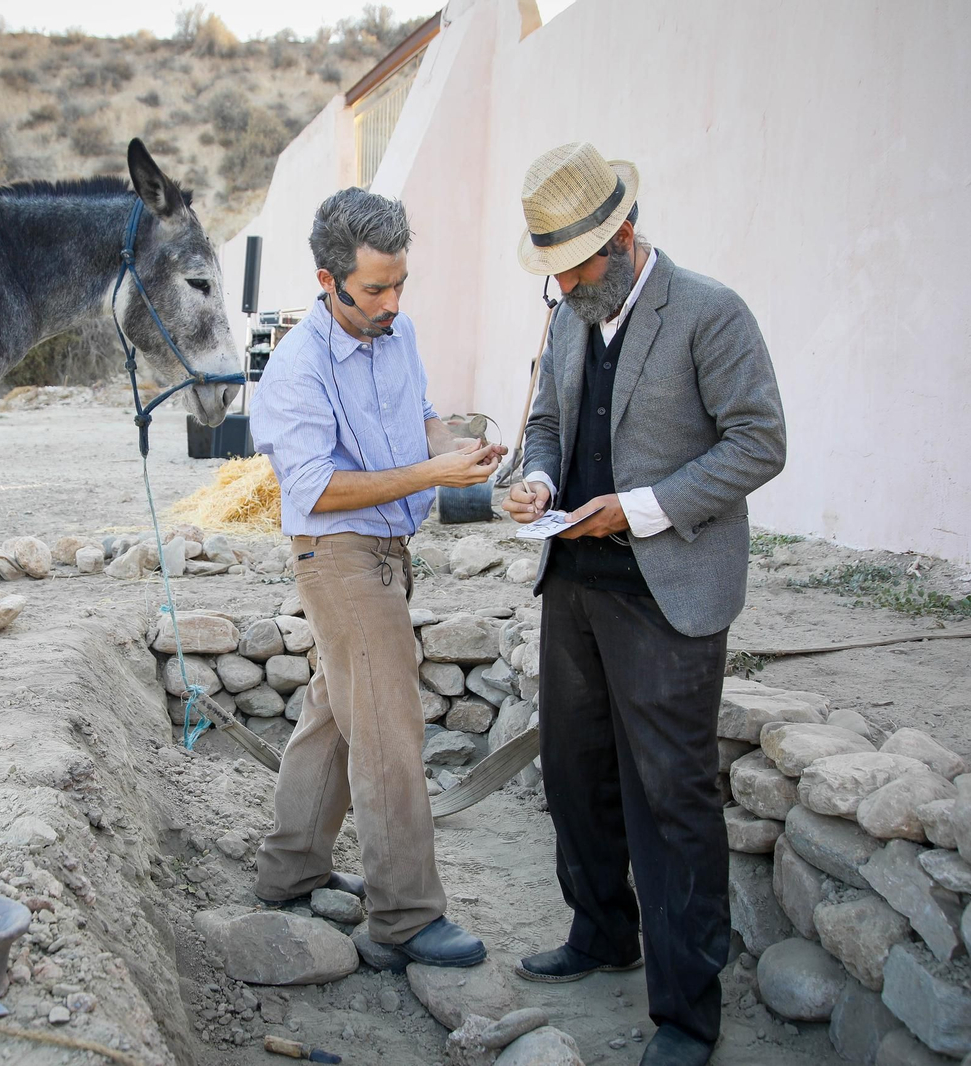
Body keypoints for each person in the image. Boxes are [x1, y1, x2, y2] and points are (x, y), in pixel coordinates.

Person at [501, 143, 786, 1066]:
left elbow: (760, 443)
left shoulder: (711, 311)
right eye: (554, 270)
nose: (565, 284)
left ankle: (687, 1015)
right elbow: (544, 425)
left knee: (672, 800)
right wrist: (537, 481)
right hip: (575, 585)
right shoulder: (574, 313)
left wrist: (641, 509)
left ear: (622, 236)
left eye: (575, 264)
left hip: (669, 596)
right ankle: (600, 935)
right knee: (576, 779)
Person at [250, 187, 503, 967]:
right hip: (338, 555)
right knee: (390, 729)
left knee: (337, 710)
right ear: (327, 282)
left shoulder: (399, 332)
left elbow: (417, 419)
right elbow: (316, 488)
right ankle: (405, 918)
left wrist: (461, 443)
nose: (392, 303)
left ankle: (289, 871)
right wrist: (429, 467)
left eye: (401, 284)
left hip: (389, 547)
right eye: (374, 290)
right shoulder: (294, 368)